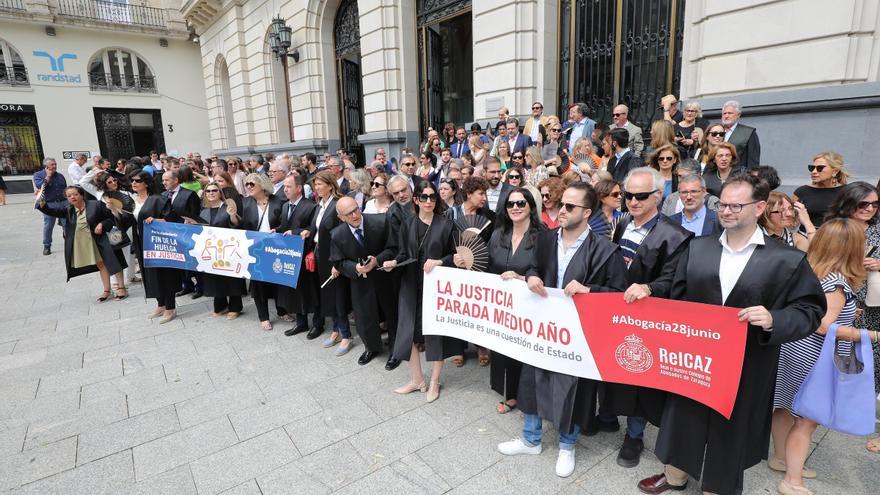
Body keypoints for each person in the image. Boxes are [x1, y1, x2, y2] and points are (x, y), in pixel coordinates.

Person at [637, 174, 826, 495]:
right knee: (685, 416)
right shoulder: (698, 248)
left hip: (748, 361)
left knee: (730, 427)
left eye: (736, 205)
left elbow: (810, 310)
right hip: (694, 358)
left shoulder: (786, 259)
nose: (726, 211)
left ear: (759, 207)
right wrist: (649, 288)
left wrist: (773, 318)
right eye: (722, 204)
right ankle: (675, 475)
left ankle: (718, 486)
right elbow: (673, 285)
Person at [498, 181, 628, 478]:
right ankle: (531, 439)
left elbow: (619, 296)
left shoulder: (606, 251)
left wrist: (590, 289)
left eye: (569, 206)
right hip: (543, 327)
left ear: (587, 212)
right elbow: (533, 267)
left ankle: (567, 446)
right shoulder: (545, 240)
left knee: (574, 388)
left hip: (580, 334)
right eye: (561, 203)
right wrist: (530, 277)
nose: (560, 210)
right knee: (532, 377)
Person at [771, 219, 872, 495]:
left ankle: (781, 458)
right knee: (806, 420)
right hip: (812, 356)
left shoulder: (810, 270)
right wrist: (868, 336)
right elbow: (823, 324)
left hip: (792, 347)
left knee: (782, 406)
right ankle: (792, 481)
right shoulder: (838, 281)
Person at [601, 168, 693, 468]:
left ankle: (635, 435)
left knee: (641, 375)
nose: (633, 201)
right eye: (628, 195)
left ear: (658, 195)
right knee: (613, 367)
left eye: (641, 196)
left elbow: (676, 281)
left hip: (648, 317)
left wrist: (649, 287)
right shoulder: (622, 221)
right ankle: (608, 416)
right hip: (616, 313)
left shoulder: (676, 235)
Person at [386, 181, 458, 403]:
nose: (429, 201)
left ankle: (434, 381)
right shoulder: (408, 224)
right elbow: (401, 253)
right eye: (424, 197)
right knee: (406, 330)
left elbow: (456, 257)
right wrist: (392, 262)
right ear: (416, 199)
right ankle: (417, 379)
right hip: (410, 282)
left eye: (432, 197)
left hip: (436, 286)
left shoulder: (446, 224)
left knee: (435, 333)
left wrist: (439, 261)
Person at [825, 182, 880, 444]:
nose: (870, 209)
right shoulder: (837, 228)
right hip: (842, 297)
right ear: (849, 203)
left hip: (873, 302)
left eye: (874, 204)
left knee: (870, 358)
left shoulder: (878, 229)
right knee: (835, 355)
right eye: (863, 204)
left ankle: (859, 409)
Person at [487, 187, 545, 415]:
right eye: (511, 204)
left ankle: (527, 397)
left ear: (530, 206)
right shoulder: (498, 233)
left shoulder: (543, 235)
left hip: (531, 308)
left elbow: (545, 272)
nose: (515, 208)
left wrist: (521, 278)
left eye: (521, 203)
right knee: (503, 351)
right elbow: (490, 266)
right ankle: (509, 393)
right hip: (503, 308)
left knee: (526, 355)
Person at [329, 196, 397, 365]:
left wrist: (377, 260)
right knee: (364, 316)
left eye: (356, 209)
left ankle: (396, 350)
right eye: (349, 213)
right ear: (341, 217)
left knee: (392, 314)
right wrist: (355, 268)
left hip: (384, 278)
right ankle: (372, 348)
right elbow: (338, 262)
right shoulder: (337, 235)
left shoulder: (381, 221)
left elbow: (394, 247)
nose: (355, 215)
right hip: (360, 282)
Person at [37, 186, 124, 302]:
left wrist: (102, 224)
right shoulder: (68, 209)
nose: (72, 197)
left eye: (75, 194)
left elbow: (111, 217)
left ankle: (122, 288)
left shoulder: (96, 205)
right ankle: (107, 290)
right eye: (69, 196)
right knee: (101, 264)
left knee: (113, 261)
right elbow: (51, 211)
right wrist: (41, 200)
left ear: (81, 195)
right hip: (85, 241)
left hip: (102, 238)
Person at [308, 170, 352, 348]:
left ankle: (346, 335)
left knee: (338, 295)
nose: (316, 188)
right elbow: (318, 229)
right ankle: (336, 330)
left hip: (333, 256)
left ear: (330, 184)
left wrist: (337, 262)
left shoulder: (337, 205)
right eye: (315, 185)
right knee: (328, 294)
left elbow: (342, 235)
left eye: (319, 184)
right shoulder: (320, 204)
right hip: (321, 253)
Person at [132, 171, 180, 324]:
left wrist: (158, 220)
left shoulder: (158, 199)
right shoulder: (133, 200)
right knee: (150, 273)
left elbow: (172, 218)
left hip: (158, 242)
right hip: (141, 241)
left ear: (146, 183)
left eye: (137, 181)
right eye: (132, 181)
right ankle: (160, 304)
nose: (133, 183)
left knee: (165, 273)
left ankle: (170, 307)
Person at [240, 173, 285, 331]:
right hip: (255, 248)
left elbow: (284, 223)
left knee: (278, 280)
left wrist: (277, 230)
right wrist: (232, 215)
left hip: (276, 247)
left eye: (252, 184)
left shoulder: (278, 201)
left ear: (262, 185)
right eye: (247, 184)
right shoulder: (245, 203)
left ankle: (282, 310)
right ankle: (263, 317)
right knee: (258, 284)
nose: (249, 187)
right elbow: (239, 225)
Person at [277, 174, 320, 336]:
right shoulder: (285, 206)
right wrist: (277, 230)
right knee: (295, 290)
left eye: (288, 186)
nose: (285, 189)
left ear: (299, 188)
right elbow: (284, 226)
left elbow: (312, 228)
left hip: (306, 254)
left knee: (311, 291)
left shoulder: (310, 206)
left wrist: (295, 232)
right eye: (284, 187)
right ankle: (301, 322)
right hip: (290, 255)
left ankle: (318, 324)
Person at [199, 182, 247, 319]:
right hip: (212, 251)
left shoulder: (227, 207)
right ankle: (220, 305)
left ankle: (235, 307)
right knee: (215, 279)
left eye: (214, 190)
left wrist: (232, 216)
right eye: (208, 191)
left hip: (228, 250)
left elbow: (237, 225)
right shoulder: (203, 211)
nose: (211, 193)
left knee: (231, 278)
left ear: (220, 192)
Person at [792, 151, 848, 230]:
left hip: (837, 238)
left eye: (820, 168)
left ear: (835, 171)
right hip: (807, 238)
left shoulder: (847, 192)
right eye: (812, 168)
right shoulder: (802, 191)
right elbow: (792, 221)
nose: (814, 172)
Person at [33, 158, 68, 255]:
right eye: (52, 164)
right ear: (46, 166)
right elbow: (40, 185)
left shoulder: (60, 176)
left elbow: (64, 188)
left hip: (63, 203)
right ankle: (47, 246)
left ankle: (69, 243)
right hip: (49, 204)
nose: (54, 166)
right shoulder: (38, 175)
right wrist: (48, 176)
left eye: (55, 164)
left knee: (67, 224)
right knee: (48, 225)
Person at [721, 100, 761, 169]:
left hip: (738, 176)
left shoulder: (748, 133)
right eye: (724, 113)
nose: (726, 116)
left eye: (730, 113)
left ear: (738, 115)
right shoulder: (716, 132)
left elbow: (753, 161)